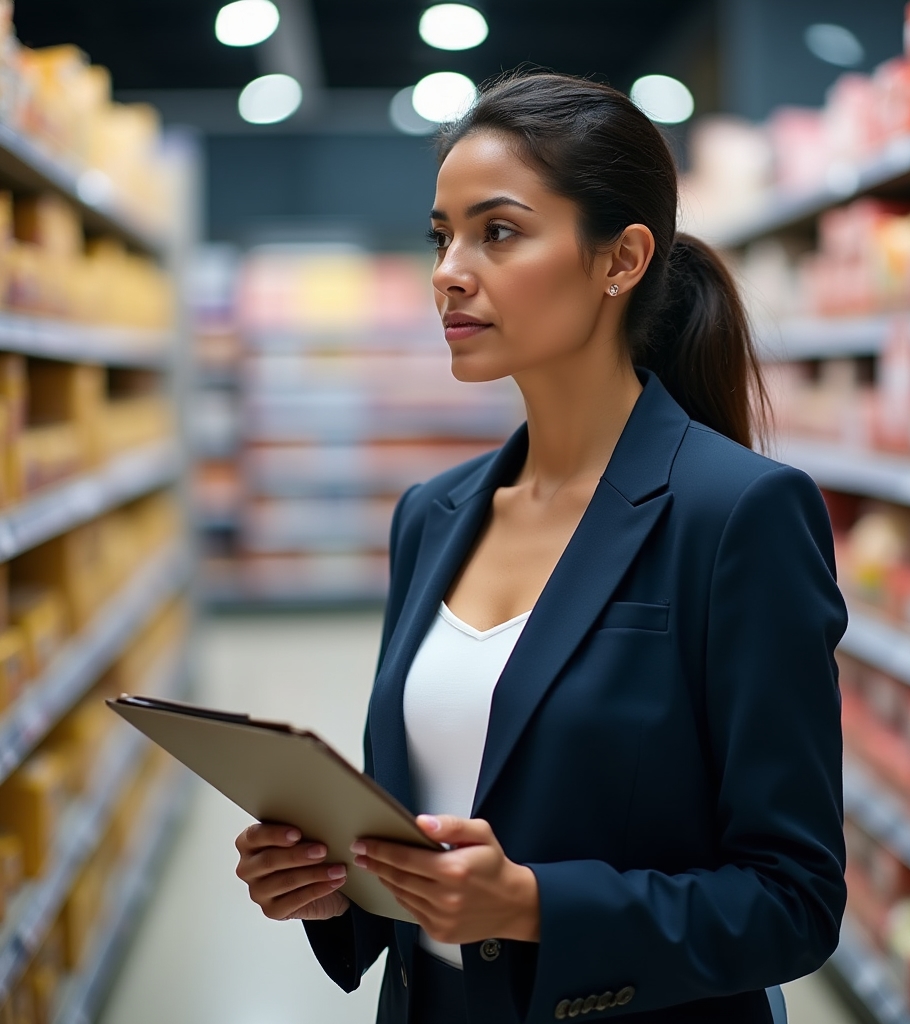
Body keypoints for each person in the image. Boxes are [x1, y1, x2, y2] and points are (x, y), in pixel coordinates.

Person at [235, 71, 848, 1024]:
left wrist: (533, 906)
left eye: (500, 231)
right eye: (442, 235)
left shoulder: (739, 516)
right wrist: (330, 884)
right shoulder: (431, 515)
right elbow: (413, 824)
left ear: (622, 258)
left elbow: (794, 903)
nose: (449, 269)